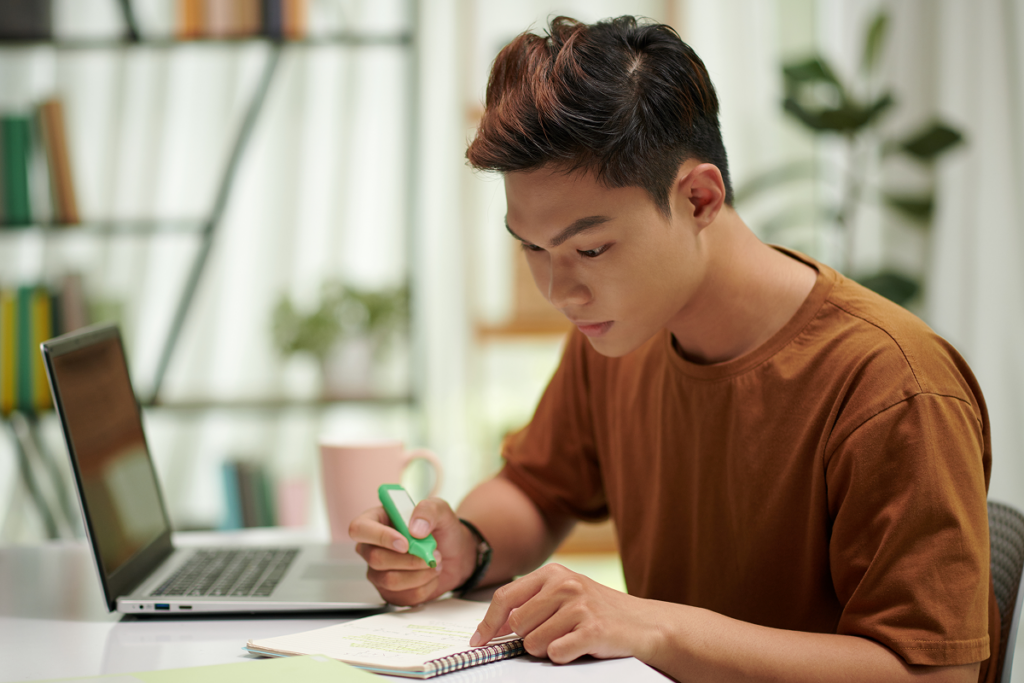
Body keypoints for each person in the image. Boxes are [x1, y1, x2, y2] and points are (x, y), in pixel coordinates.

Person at [349, 15, 997, 683]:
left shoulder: (894, 384)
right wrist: (465, 546)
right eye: (531, 247)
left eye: (591, 249)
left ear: (699, 198)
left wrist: (653, 624)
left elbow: (933, 675)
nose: (559, 290)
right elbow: (537, 487)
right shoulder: (619, 329)